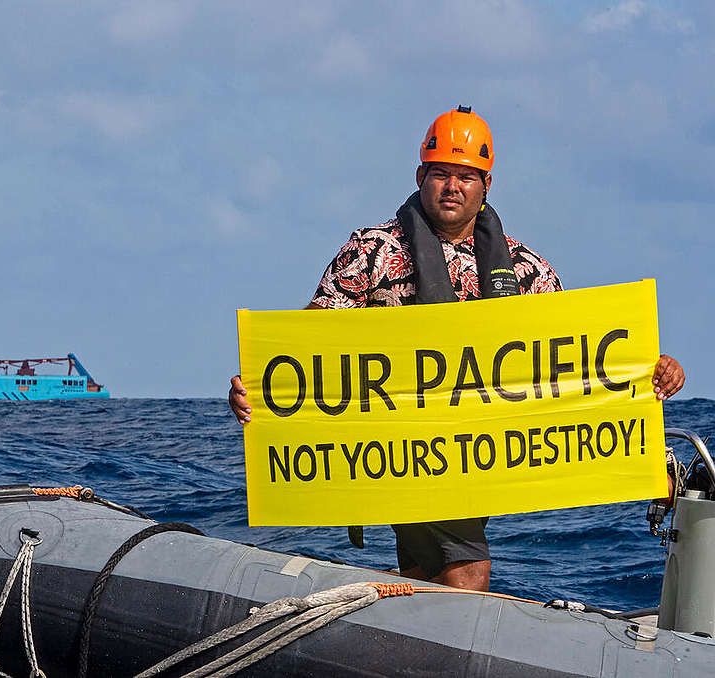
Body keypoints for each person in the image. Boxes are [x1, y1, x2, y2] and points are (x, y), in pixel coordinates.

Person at [228, 105, 686, 592]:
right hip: (397, 449)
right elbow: (312, 343)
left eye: (466, 177)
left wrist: (650, 369)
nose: (452, 187)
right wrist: (259, 385)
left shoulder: (526, 269)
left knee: (429, 571)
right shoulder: (372, 250)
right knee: (468, 573)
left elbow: (580, 359)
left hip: (482, 455)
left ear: (486, 186)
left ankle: (362, 613)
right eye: (441, 174)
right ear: (420, 176)